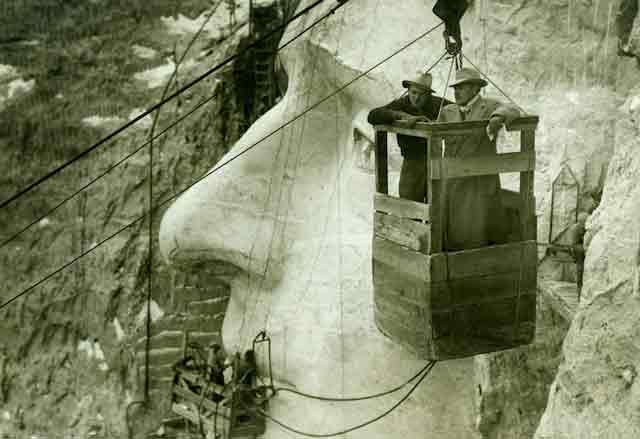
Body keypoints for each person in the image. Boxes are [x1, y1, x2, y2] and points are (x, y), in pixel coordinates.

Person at [437, 67, 521, 251]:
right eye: (455, 88)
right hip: (453, 182)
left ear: (475, 88)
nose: (456, 92)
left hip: (479, 182)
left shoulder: (489, 107)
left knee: (477, 232)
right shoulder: (447, 111)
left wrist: (497, 118)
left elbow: (513, 109)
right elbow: (434, 133)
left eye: (462, 87)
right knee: (451, 230)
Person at [367, 72, 452, 202]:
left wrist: (436, 122)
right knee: (408, 206)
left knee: (436, 208)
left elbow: (459, 109)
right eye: (413, 93)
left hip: (435, 163)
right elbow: (373, 115)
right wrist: (400, 115)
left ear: (428, 95)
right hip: (411, 164)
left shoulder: (437, 104)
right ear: (408, 91)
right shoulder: (402, 104)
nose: (416, 98)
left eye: (421, 94)